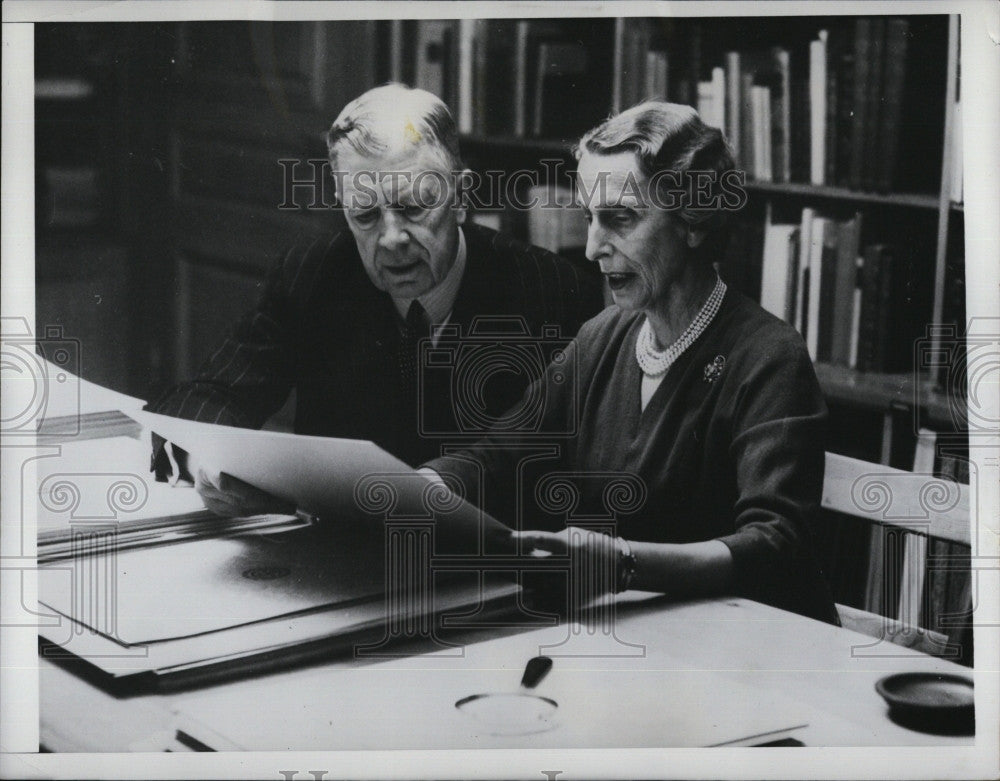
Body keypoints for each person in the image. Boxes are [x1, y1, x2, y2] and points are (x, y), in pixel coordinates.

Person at [422, 101, 838, 624]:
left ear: (693, 220)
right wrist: (418, 487)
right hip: (639, 635)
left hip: (745, 647)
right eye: (590, 219)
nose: (594, 247)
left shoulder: (769, 358)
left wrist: (624, 564)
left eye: (620, 219)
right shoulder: (603, 338)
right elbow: (501, 454)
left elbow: (774, 544)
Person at [147, 84, 602, 514]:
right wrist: (207, 462)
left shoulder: (551, 291)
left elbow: (560, 466)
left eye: (413, 207)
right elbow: (207, 395)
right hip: (338, 562)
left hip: (481, 566)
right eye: (364, 215)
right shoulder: (315, 273)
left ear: (462, 197)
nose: (391, 239)